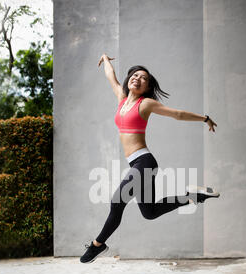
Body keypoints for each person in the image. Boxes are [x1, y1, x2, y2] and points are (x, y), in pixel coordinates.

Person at [80, 53, 219, 263]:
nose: (137, 78)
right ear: (129, 80)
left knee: (117, 202)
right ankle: (193, 196)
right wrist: (105, 59)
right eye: (135, 75)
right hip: (137, 163)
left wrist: (205, 118)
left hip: (144, 162)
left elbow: (178, 114)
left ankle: (97, 245)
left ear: (147, 87)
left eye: (143, 78)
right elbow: (111, 77)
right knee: (150, 212)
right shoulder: (122, 99)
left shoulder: (146, 104)